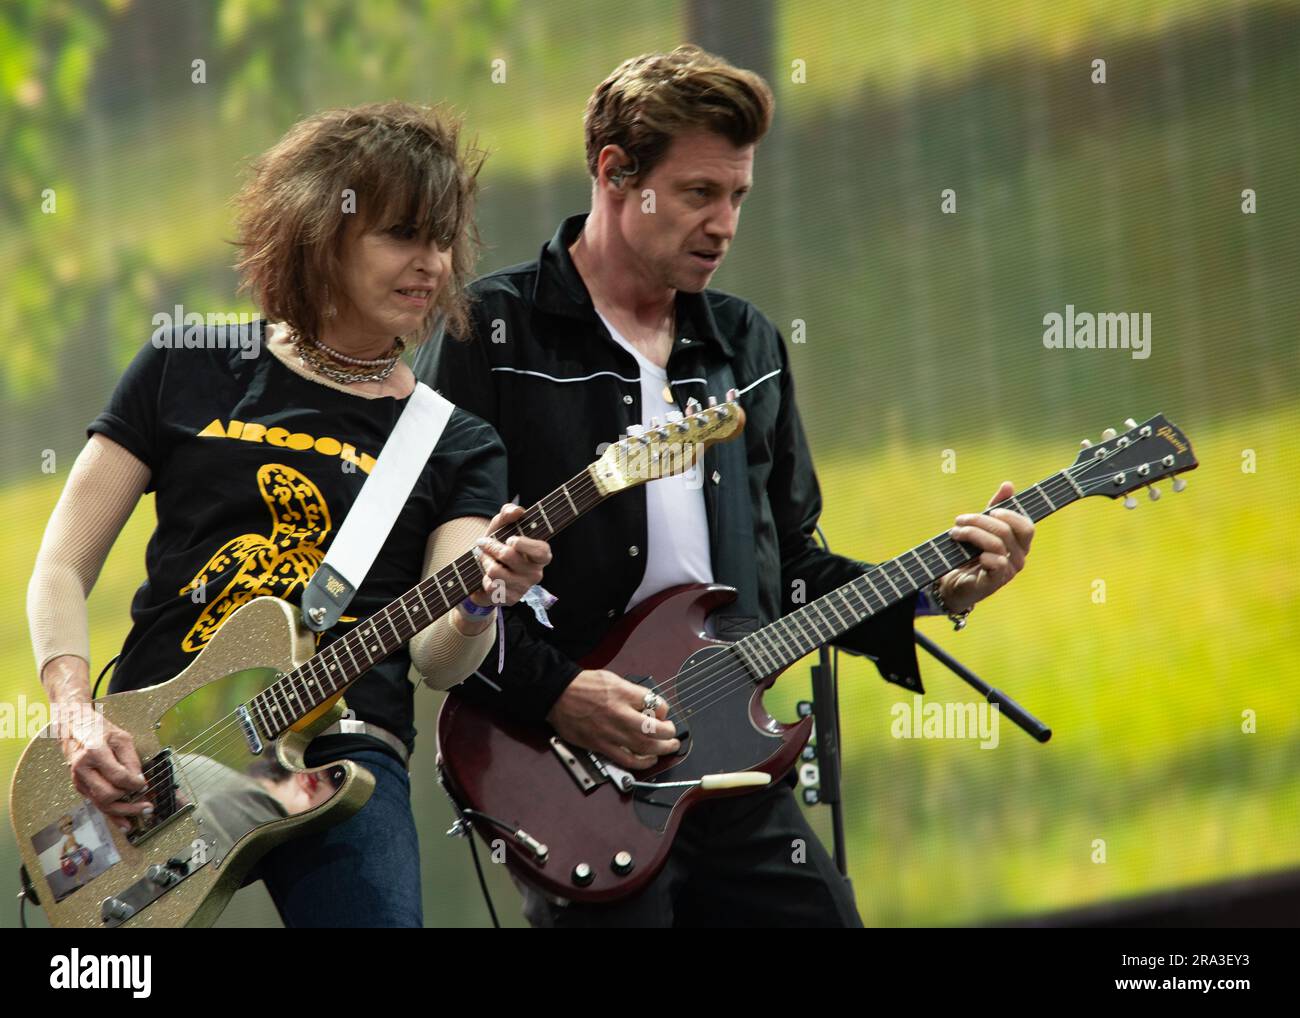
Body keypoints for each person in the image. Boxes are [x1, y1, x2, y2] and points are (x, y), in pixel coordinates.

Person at [414, 46, 1035, 927]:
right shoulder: (493, 334)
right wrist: (559, 692)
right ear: (615, 173)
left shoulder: (747, 346)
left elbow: (796, 572)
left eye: (738, 196)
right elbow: (433, 579)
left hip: (730, 764)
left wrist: (941, 588)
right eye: (702, 193)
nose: (725, 223)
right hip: (570, 780)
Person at [26, 101, 553, 927]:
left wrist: (483, 597)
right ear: (320, 232)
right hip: (149, 751)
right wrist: (74, 715)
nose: (433, 264)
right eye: (403, 235)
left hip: (341, 756)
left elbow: (439, 657)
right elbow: (62, 562)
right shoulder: (188, 363)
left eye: (443, 239)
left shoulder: (453, 442)